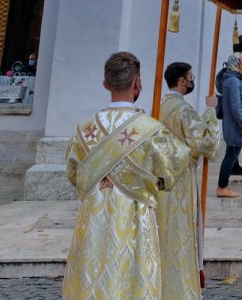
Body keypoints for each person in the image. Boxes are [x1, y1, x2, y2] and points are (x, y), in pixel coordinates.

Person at [62, 51, 190, 300]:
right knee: (134, 277)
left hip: (93, 220)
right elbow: (177, 161)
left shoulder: (84, 129)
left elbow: (73, 174)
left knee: (93, 275)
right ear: (137, 83)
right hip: (135, 217)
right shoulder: (150, 130)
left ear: (106, 84)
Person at [156, 62, 224, 300]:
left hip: (160, 181)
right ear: (182, 81)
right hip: (181, 182)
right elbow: (204, 143)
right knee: (180, 232)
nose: (192, 81)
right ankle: (180, 285)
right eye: (191, 77)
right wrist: (210, 111)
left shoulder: (160, 105)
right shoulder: (183, 111)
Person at [216, 52, 242, 198]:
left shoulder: (234, 80)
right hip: (235, 126)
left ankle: (224, 185)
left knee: (231, 155)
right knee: (231, 156)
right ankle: (222, 186)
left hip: (234, 125)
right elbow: (235, 106)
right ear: (236, 64)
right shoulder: (233, 81)